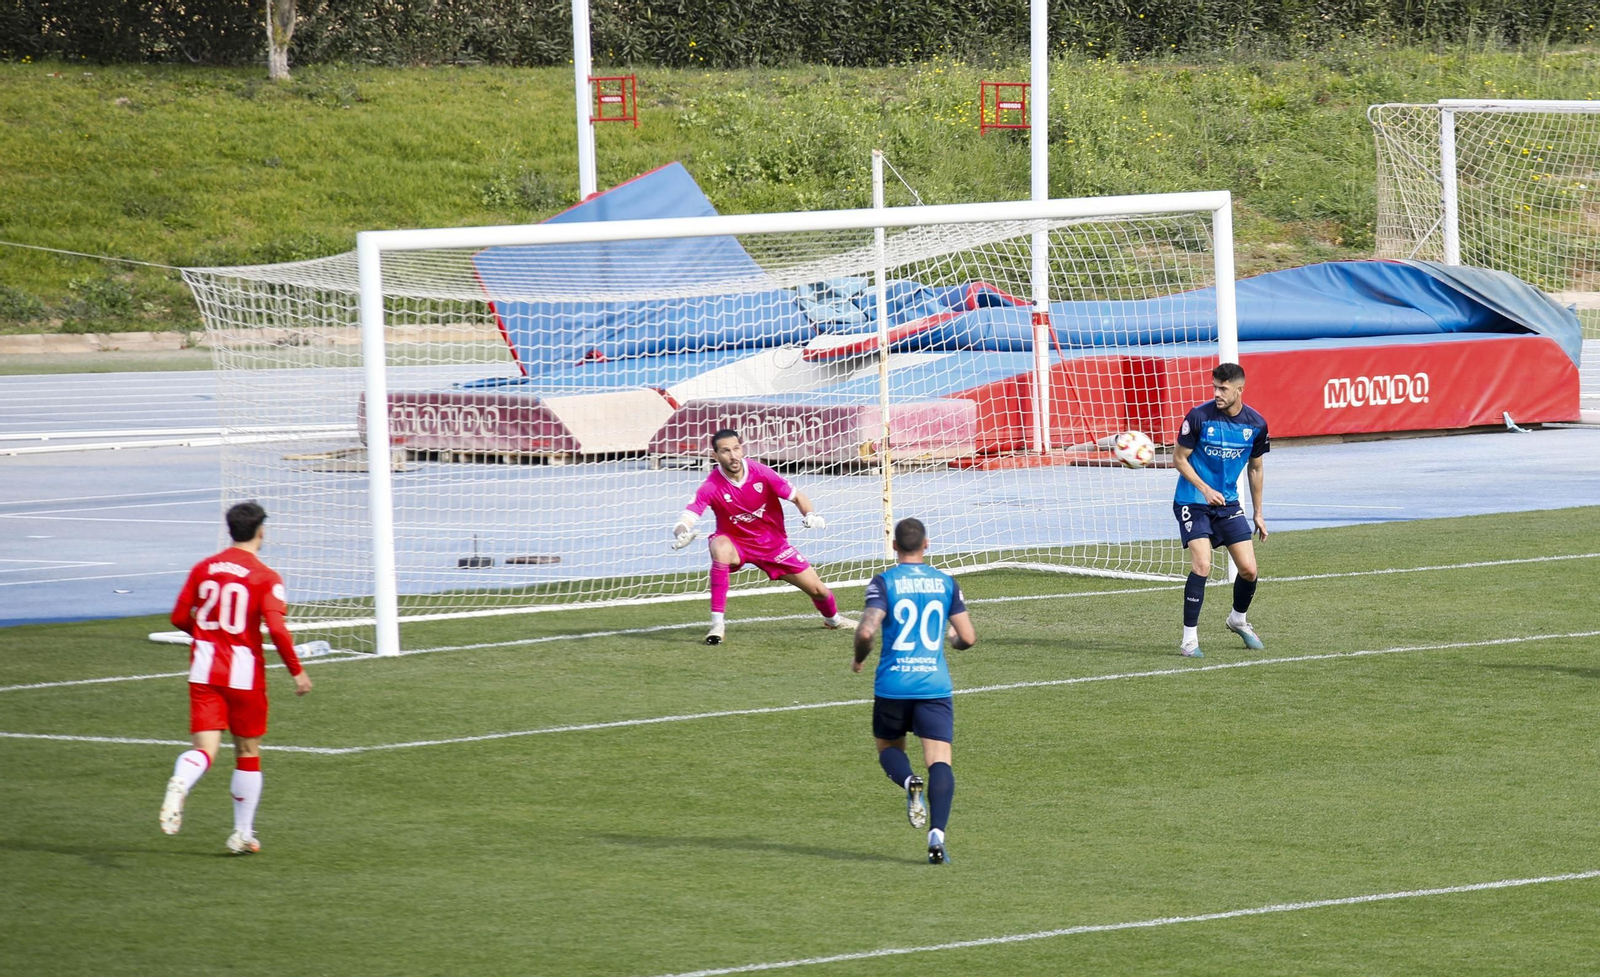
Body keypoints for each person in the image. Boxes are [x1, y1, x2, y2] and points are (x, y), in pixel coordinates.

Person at [160, 501, 312, 854]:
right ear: (261, 532)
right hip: (244, 674)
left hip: (203, 670)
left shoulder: (203, 568)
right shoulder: (265, 576)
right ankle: (242, 833)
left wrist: (207, 637)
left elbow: (179, 617)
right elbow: (277, 628)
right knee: (247, 751)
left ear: (230, 530)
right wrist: (297, 670)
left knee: (204, 749)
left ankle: (182, 779)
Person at [852, 518, 976, 865]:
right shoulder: (945, 582)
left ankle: (909, 782)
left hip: (893, 686)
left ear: (894, 546)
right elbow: (968, 638)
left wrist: (859, 659)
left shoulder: (884, 582)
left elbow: (866, 631)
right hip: (934, 685)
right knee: (940, 760)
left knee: (889, 749)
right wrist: (952, 639)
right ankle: (937, 835)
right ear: (926, 544)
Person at [671, 428, 853, 645]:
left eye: (736, 449)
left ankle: (833, 621)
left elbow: (798, 497)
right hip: (736, 545)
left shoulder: (762, 473)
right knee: (719, 546)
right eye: (726, 451)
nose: (733, 455)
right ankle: (717, 625)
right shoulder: (711, 485)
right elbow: (687, 517)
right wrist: (682, 532)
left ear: (742, 449)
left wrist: (810, 514)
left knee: (819, 591)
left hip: (772, 545)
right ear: (715, 455)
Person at [1172, 361, 1269, 658]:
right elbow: (1179, 458)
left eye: (1223, 389)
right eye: (1215, 387)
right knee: (1202, 565)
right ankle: (1189, 640)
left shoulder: (1256, 424)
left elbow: (1256, 468)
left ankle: (1237, 619)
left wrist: (1258, 512)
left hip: (1227, 504)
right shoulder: (1199, 417)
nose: (1217, 393)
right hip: (1192, 501)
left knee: (1249, 570)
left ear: (1240, 389)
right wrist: (1205, 489)